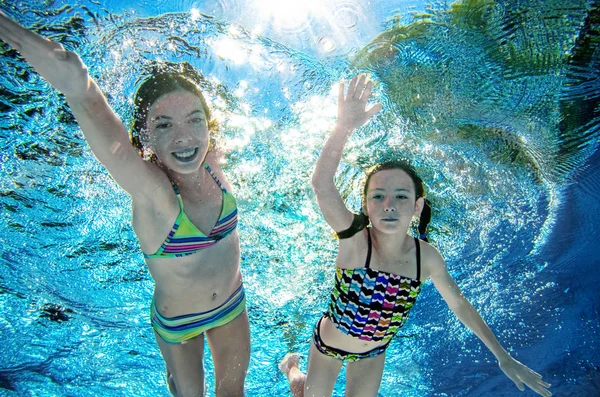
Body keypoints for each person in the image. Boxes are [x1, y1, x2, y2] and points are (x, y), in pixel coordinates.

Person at [0, 11, 249, 397]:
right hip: (179, 321)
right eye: (164, 124)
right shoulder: (154, 192)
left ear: (207, 124)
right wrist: (76, 85)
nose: (184, 138)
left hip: (232, 304)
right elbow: (93, 109)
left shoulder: (214, 161)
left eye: (194, 120)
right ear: (145, 135)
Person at [279, 75, 552, 397]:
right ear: (365, 206)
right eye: (378, 196)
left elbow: (460, 305)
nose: (390, 205)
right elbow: (321, 184)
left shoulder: (427, 257)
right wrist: (344, 127)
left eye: (402, 197)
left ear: (417, 206)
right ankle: (291, 367)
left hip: (373, 354)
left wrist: (503, 357)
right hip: (328, 344)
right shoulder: (356, 240)